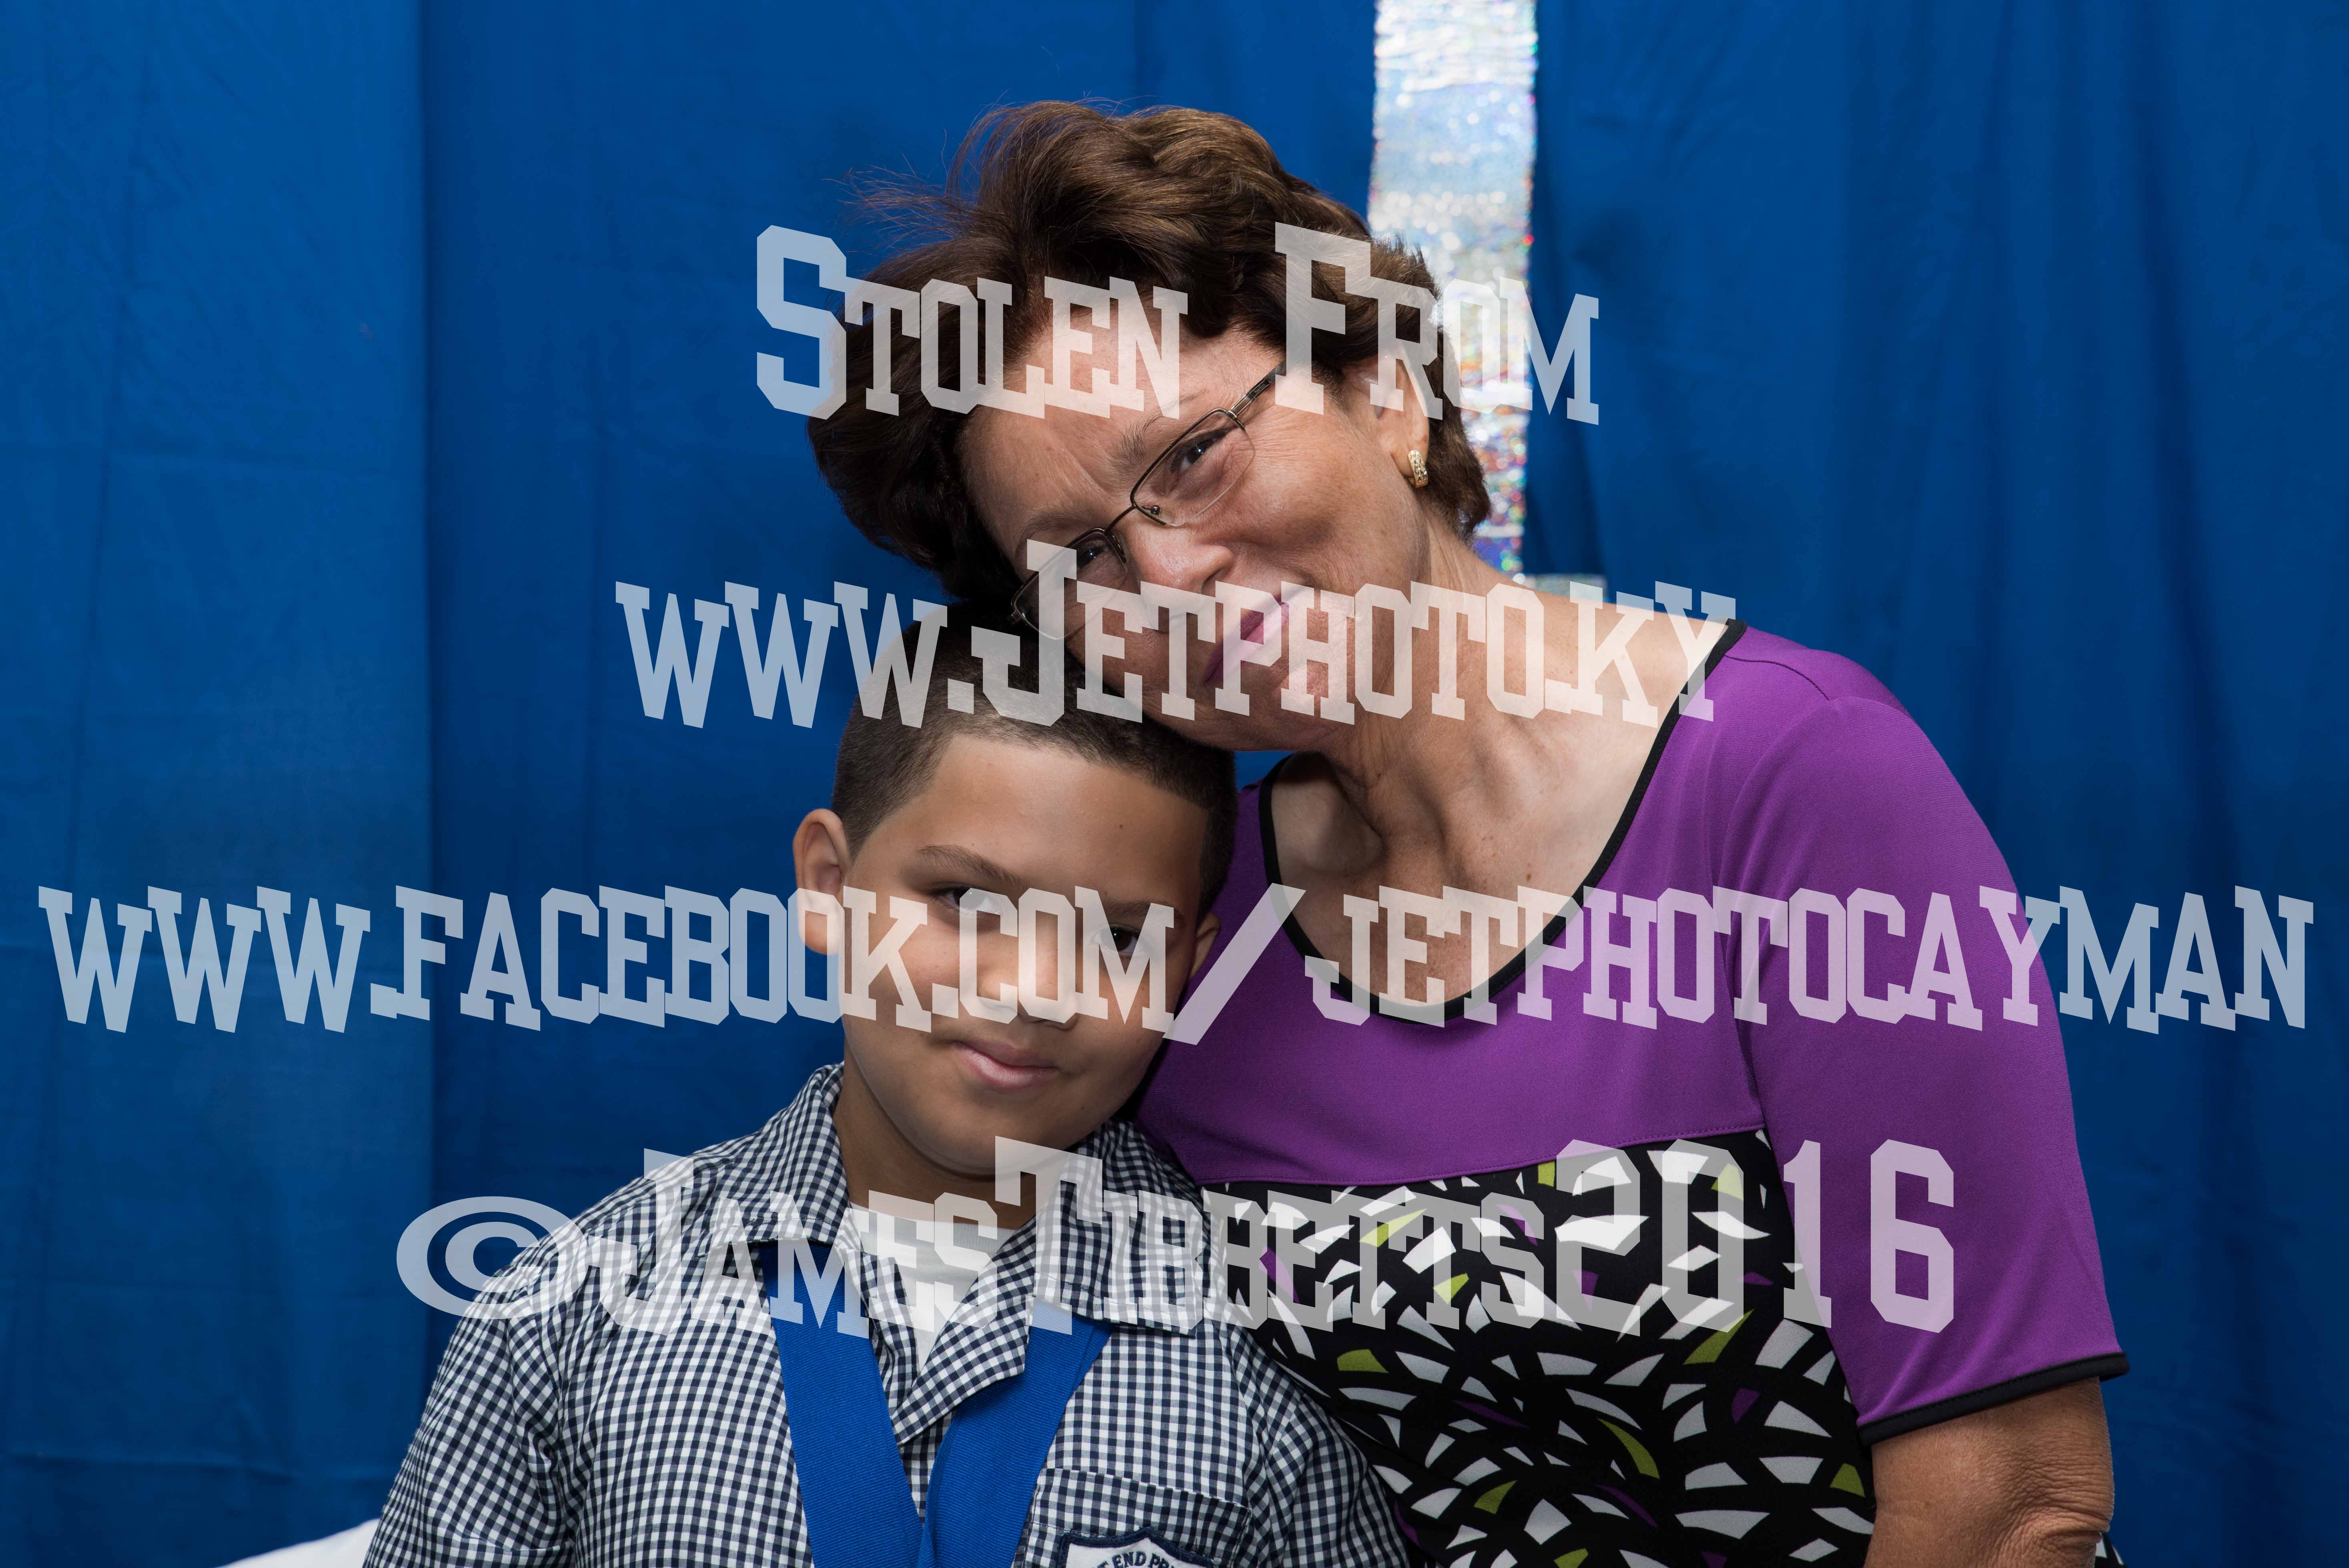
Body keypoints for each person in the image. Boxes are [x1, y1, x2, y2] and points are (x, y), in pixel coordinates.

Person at [809, 103, 2130, 1566]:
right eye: (1082, 559)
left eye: (1193, 454)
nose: (1170, 573)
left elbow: (2014, 1506)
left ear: (1383, 393)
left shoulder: (1790, 778)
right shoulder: (1191, 924)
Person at [364, 610, 1410, 1568]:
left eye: (1119, 938)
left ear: (1190, 966)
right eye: (964, 899)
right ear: (830, 886)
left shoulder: (1281, 1346)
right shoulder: (569, 1314)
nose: (1030, 989)